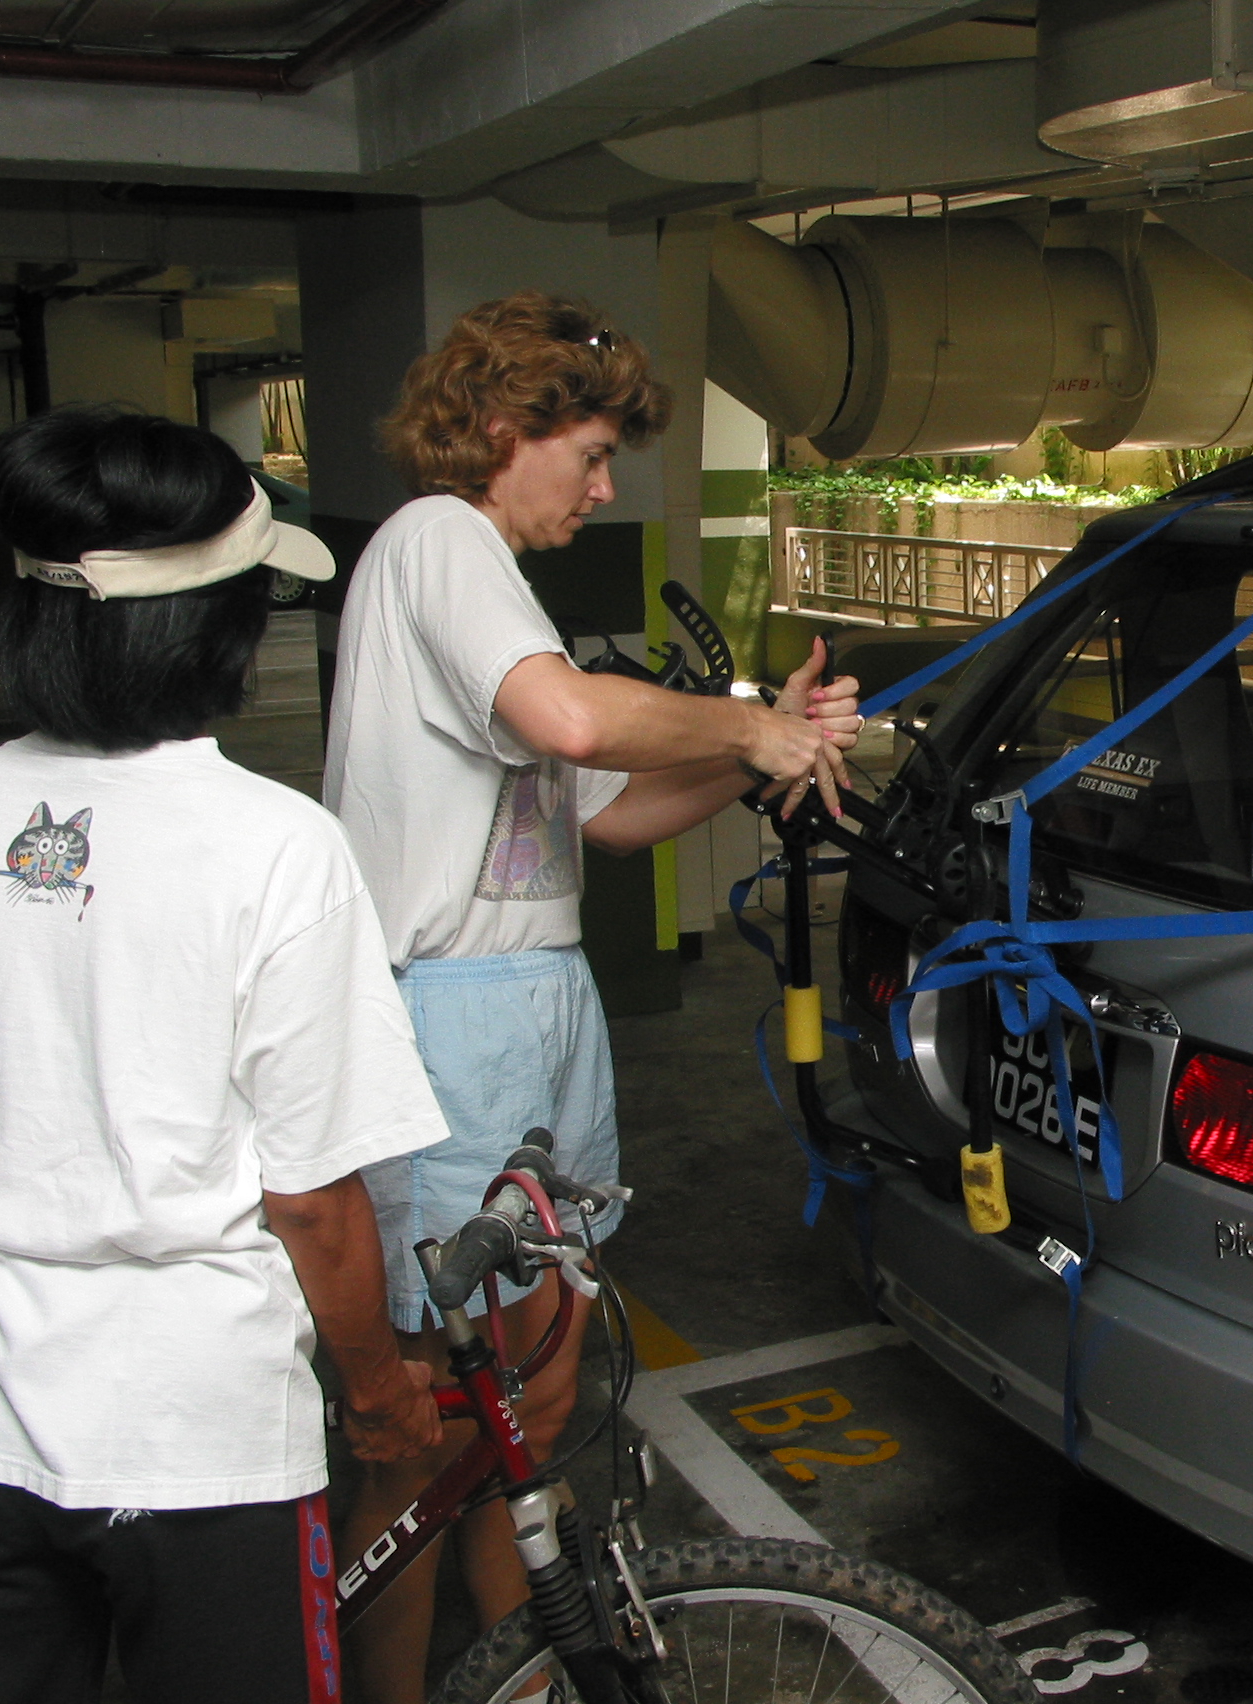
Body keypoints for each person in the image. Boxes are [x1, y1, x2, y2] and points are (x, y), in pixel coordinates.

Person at [324, 289, 862, 1698]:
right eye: (591, 452)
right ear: (505, 429)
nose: (607, 485)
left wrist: (771, 751)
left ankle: (528, 1671)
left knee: (536, 1399)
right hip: (452, 1012)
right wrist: (745, 718)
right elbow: (571, 717)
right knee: (442, 1421)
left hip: (535, 999)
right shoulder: (442, 540)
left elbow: (606, 813)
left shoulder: (488, 580)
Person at [0, 408, 449, 1703]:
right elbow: (316, 1205)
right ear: (214, 624)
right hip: (198, 1444)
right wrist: (382, 1395)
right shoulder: (272, 846)